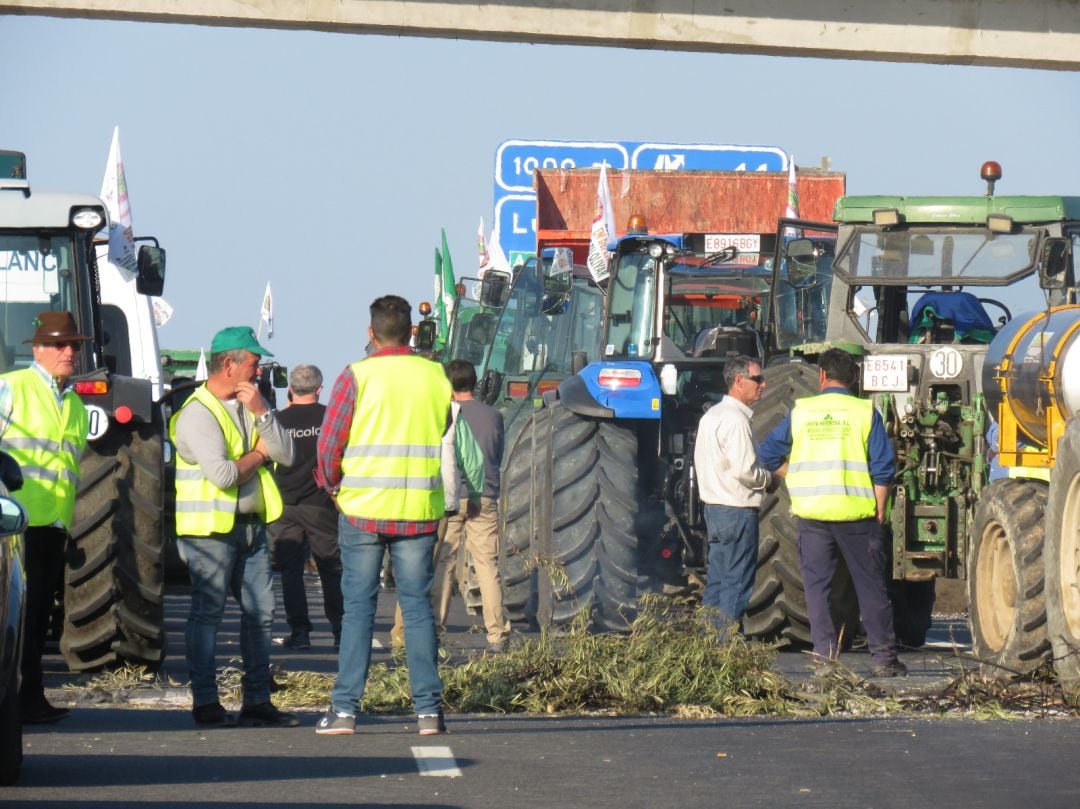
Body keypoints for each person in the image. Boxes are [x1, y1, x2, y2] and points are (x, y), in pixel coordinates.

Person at [314, 295, 455, 737]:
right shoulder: (437, 376)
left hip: (362, 509)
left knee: (358, 610)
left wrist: (332, 484)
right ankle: (429, 712)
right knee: (416, 610)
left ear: (371, 333)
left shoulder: (356, 375)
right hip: (417, 510)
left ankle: (345, 711)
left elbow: (330, 442)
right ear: (413, 332)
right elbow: (446, 431)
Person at [170, 325, 299, 727]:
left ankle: (257, 702)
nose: (258, 371)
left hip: (251, 528)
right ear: (230, 364)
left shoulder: (249, 404)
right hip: (210, 533)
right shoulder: (197, 413)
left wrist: (262, 412)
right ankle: (206, 704)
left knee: (260, 615)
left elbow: (289, 453)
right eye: (254, 363)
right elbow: (224, 475)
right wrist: (259, 456)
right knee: (207, 615)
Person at [758, 348, 906, 677]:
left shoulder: (802, 411)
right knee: (870, 588)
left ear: (822, 375)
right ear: (852, 378)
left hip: (813, 516)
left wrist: (793, 473)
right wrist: (879, 509)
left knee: (817, 589)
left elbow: (767, 455)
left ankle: (825, 658)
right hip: (857, 515)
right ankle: (883, 658)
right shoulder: (865, 412)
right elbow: (883, 469)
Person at [0, 312, 90, 723]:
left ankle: (29, 698)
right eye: (59, 345)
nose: (68, 351)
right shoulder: (12, 387)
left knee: (36, 618)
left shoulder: (72, 402)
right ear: (37, 349)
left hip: (52, 524)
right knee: (17, 615)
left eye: (73, 345)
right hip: (14, 524)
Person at [692, 355, 773, 630]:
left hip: (714, 510)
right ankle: (724, 648)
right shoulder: (736, 420)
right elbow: (746, 471)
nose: (763, 384)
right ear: (739, 381)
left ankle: (706, 647)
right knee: (736, 584)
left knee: (716, 582)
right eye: (757, 379)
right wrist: (770, 478)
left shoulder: (711, 416)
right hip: (737, 512)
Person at [268, 364, 343, 650]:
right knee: (330, 568)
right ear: (319, 389)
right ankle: (339, 631)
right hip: (321, 503)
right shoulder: (329, 419)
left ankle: (299, 633)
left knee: (291, 572)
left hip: (285, 504)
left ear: (290, 389)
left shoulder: (277, 421)